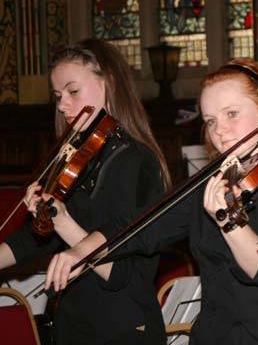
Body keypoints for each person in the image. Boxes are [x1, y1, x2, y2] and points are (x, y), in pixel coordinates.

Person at [44, 59, 258, 345]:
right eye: (211, 121)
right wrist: (83, 250)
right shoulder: (213, 183)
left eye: (232, 114)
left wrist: (227, 219)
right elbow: (142, 226)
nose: (220, 131)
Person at [0, 39, 171, 344]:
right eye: (58, 95)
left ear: (110, 84)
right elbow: (34, 239)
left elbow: (123, 274)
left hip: (123, 329)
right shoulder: (73, 161)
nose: (63, 104)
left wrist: (63, 221)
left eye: (73, 91)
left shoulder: (138, 162)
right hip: (72, 324)